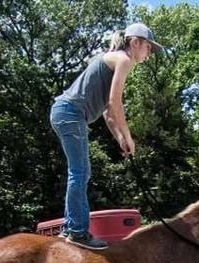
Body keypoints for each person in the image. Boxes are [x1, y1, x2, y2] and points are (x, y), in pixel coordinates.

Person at [50, 23, 163, 250]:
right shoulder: (123, 59)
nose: (149, 54)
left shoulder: (113, 60)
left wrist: (119, 137)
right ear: (135, 42)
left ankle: (70, 228)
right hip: (70, 113)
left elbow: (106, 112)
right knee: (80, 171)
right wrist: (129, 136)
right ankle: (77, 231)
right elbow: (114, 103)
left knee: (79, 171)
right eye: (148, 48)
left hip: (66, 113)